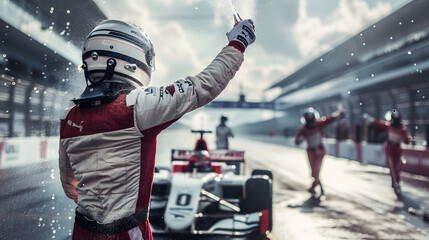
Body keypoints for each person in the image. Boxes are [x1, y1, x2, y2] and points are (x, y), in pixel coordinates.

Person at [59, 19, 256, 240]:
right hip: (125, 234)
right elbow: (204, 85)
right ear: (132, 60)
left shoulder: (68, 117)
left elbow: (70, 186)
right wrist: (238, 43)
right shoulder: (137, 107)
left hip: (82, 232)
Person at [295, 107, 346, 197]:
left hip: (319, 150)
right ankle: (316, 185)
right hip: (310, 151)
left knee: (316, 169)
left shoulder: (318, 124)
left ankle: (315, 186)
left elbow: (329, 119)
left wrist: (338, 113)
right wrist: (301, 139)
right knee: (313, 171)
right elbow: (297, 141)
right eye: (308, 117)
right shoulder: (303, 129)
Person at [364, 109, 411, 196]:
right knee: (392, 167)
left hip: (397, 149)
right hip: (389, 148)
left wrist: (408, 138)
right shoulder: (389, 126)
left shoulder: (402, 129)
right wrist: (370, 119)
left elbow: (406, 141)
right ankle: (395, 182)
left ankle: (396, 182)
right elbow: (378, 123)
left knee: (396, 167)